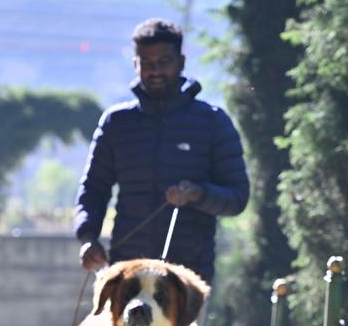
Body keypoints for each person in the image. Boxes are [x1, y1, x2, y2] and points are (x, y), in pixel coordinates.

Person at [74, 18, 249, 287]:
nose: (155, 70)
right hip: (128, 272)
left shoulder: (213, 122)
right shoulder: (116, 123)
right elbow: (93, 190)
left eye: (164, 61)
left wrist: (198, 194)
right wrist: (88, 238)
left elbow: (237, 198)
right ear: (136, 64)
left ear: (181, 62)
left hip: (188, 277)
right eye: (147, 62)